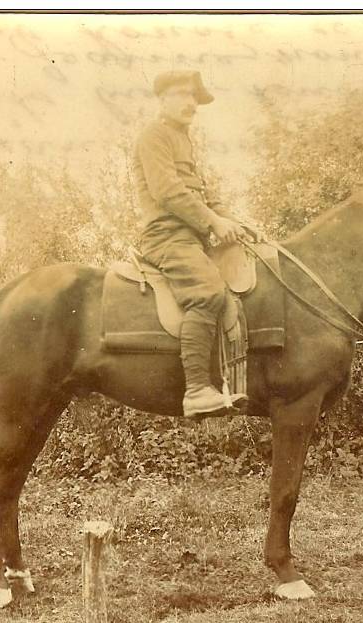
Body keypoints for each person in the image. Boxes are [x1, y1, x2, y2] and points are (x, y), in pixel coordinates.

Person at [132, 69, 259, 418]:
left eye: (194, 97)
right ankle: (197, 390)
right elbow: (168, 191)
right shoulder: (154, 136)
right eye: (182, 94)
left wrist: (233, 221)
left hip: (192, 236)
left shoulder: (183, 140)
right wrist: (213, 222)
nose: (191, 103)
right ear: (162, 99)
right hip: (166, 236)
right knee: (207, 292)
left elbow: (202, 193)